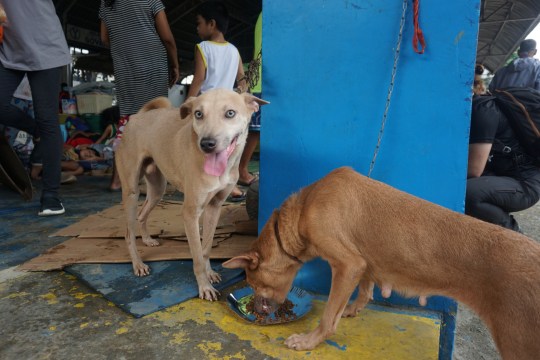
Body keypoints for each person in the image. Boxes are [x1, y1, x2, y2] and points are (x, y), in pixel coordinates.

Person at [0, 1, 72, 216]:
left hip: (46, 48)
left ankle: (51, 196)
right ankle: (38, 130)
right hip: (9, 52)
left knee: (47, 117)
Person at [99, 0, 179, 191]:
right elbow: (167, 38)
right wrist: (175, 63)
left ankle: (117, 180)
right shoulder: (150, 0)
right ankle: (155, 178)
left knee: (127, 121)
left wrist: (125, 48)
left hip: (125, 68)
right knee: (156, 121)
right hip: (153, 65)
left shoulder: (106, 2)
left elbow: (104, 38)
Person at [187, 0, 247, 201]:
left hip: (207, 108)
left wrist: (189, 105)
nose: (198, 28)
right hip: (226, 110)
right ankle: (232, 185)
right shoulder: (234, 50)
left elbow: (199, 79)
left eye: (199, 23)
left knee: (203, 146)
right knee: (229, 148)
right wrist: (239, 97)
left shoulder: (203, 47)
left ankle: (204, 183)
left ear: (211, 24)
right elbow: (242, 79)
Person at [465, 95, 540, 232]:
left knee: (469, 193)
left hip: (525, 183)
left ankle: (515, 236)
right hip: (502, 174)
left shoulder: (484, 109)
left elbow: (474, 169)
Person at [238, 12, 262, 187]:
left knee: (255, 130)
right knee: (255, 131)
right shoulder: (269, 12)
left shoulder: (263, 14)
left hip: (262, 82)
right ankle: (241, 170)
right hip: (262, 83)